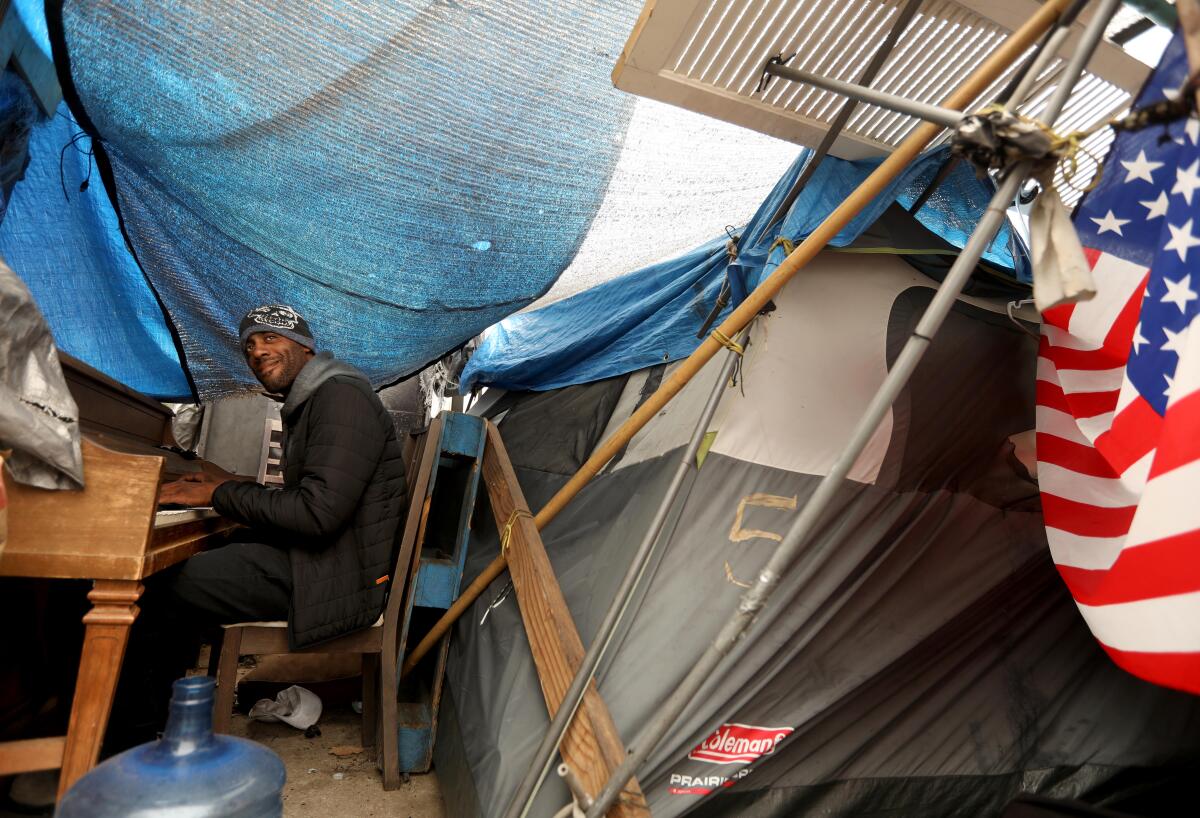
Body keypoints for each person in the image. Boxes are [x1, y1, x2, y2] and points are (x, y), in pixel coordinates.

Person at [112, 304, 407, 743]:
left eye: (270, 338)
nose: (256, 351)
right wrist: (234, 483)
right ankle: (166, 719)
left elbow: (316, 514)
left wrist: (218, 494)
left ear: (304, 346)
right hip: (324, 563)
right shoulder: (316, 399)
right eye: (249, 344)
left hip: (335, 578)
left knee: (159, 584)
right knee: (187, 571)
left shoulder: (340, 397)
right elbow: (319, 494)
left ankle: (130, 741)